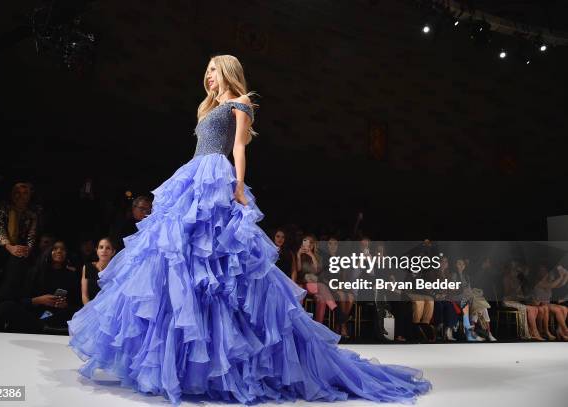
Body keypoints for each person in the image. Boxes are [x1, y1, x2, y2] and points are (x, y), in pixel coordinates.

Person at [67, 54, 431, 404]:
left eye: (213, 69)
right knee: (176, 261)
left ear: (228, 70)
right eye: (206, 71)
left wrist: (239, 187)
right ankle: (179, 359)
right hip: (192, 178)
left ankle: (231, 358)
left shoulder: (240, 102)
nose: (208, 76)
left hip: (216, 177)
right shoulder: (206, 107)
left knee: (220, 263)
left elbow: (239, 147)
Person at [81, 237, 116, 305]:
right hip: (89, 308)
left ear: (113, 252)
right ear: (97, 250)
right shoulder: (88, 267)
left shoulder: (116, 270)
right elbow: (84, 295)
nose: (104, 250)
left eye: (108, 248)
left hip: (109, 309)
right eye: (101, 247)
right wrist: (89, 311)